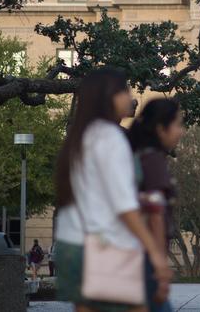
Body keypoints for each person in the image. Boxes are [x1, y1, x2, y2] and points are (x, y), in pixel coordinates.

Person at [54, 68, 172, 312]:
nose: (130, 98)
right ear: (108, 97)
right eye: (124, 91)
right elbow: (123, 205)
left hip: (72, 245)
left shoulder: (80, 137)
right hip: (105, 244)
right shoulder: (110, 137)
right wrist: (155, 254)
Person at [127, 98, 185, 312]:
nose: (181, 132)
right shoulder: (153, 159)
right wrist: (160, 265)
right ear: (161, 129)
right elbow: (155, 214)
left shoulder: (138, 155)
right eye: (178, 125)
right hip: (147, 260)